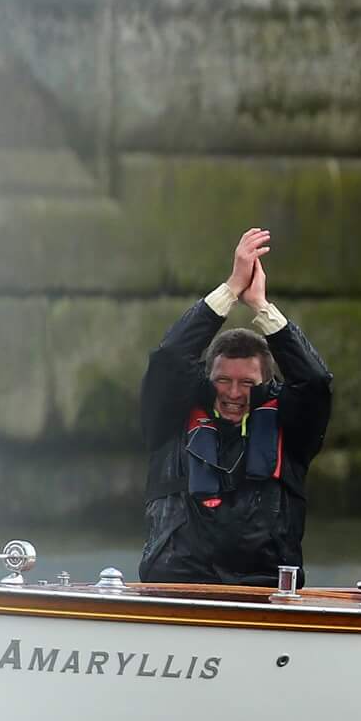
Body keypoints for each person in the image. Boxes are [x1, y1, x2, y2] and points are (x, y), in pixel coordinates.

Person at [139, 228, 333, 585]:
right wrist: (230, 289)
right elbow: (169, 357)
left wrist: (261, 307)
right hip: (175, 586)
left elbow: (315, 381)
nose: (233, 393)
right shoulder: (169, 420)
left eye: (247, 383)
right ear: (206, 379)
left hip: (261, 589)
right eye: (224, 380)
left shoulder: (292, 431)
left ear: (266, 386)